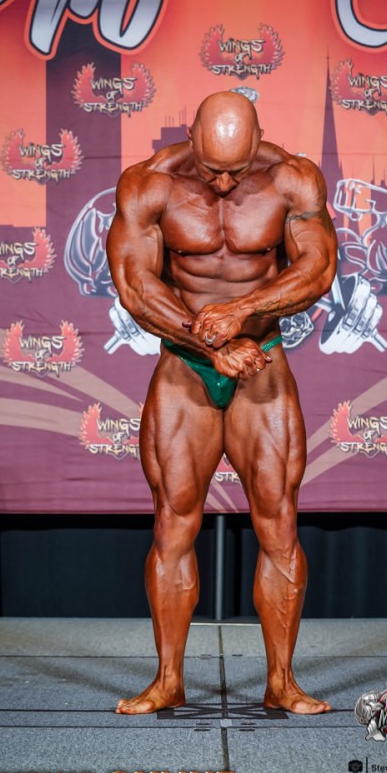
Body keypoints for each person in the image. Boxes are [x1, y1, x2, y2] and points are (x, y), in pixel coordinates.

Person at [106, 91, 337, 715]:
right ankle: (168, 680)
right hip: (185, 365)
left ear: (259, 137)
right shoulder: (149, 185)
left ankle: (282, 682)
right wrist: (208, 341)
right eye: (212, 170)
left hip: (262, 360)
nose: (225, 183)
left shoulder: (292, 179)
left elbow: (318, 269)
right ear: (190, 135)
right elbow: (136, 285)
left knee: (279, 522)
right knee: (174, 521)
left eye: (236, 170)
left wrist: (243, 311)